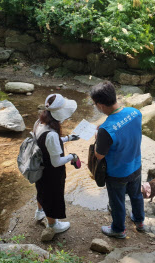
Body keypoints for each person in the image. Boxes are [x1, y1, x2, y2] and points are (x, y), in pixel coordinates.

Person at [91, 81, 144, 239]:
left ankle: (118, 229)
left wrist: (96, 139)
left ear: (100, 105)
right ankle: (140, 221)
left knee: (117, 201)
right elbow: (123, 126)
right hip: (136, 165)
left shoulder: (106, 131)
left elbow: (99, 155)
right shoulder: (135, 113)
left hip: (117, 173)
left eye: (95, 104)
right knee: (136, 195)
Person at [33, 93, 80, 234]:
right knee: (52, 195)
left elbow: (47, 141)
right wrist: (72, 156)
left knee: (41, 190)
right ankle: (53, 225)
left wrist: (68, 138)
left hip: (39, 167)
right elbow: (56, 162)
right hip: (50, 171)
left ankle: (39, 212)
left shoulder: (39, 123)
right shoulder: (52, 135)